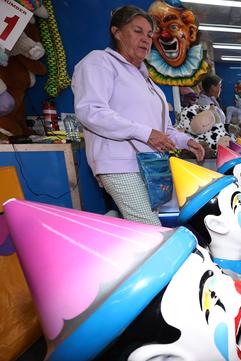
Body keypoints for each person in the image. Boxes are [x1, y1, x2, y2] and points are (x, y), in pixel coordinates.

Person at [72, 5, 204, 226]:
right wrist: (146, 133)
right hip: (119, 164)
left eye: (149, 34)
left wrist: (186, 141)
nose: (146, 39)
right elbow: (90, 111)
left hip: (150, 165)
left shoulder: (147, 81)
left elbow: (164, 128)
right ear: (116, 32)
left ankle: (113, 227)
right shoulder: (99, 62)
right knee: (150, 228)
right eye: (137, 31)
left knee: (141, 225)